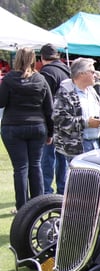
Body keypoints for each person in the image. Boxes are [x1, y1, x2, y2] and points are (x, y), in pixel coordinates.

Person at [0, 47, 53, 213]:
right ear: (33, 59)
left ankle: (22, 208)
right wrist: (50, 132)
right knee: (35, 166)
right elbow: (49, 109)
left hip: (13, 126)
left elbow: (1, 102)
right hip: (37, 126)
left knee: (20, 168)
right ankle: (38, 206)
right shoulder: (40, 79)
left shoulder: (9, 78)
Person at [52, 57, 100, 161]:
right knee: (81, 177)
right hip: (76, 147)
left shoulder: (92, 92)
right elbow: (60, 121)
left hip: (96, 143)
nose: (95, 75)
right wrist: (87, 123)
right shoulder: (65, 93)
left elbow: (98, 112)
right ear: (81, 73)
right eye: (92, 72)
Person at [39, 43, 71, 195]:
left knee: (47, 158)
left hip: (51, 120)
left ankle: (46, 190)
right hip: (66, 120)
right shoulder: (68, 71)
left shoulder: (46, 73)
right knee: (62, 158)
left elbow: (45, 101)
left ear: (42, 57)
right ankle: (62, 188)